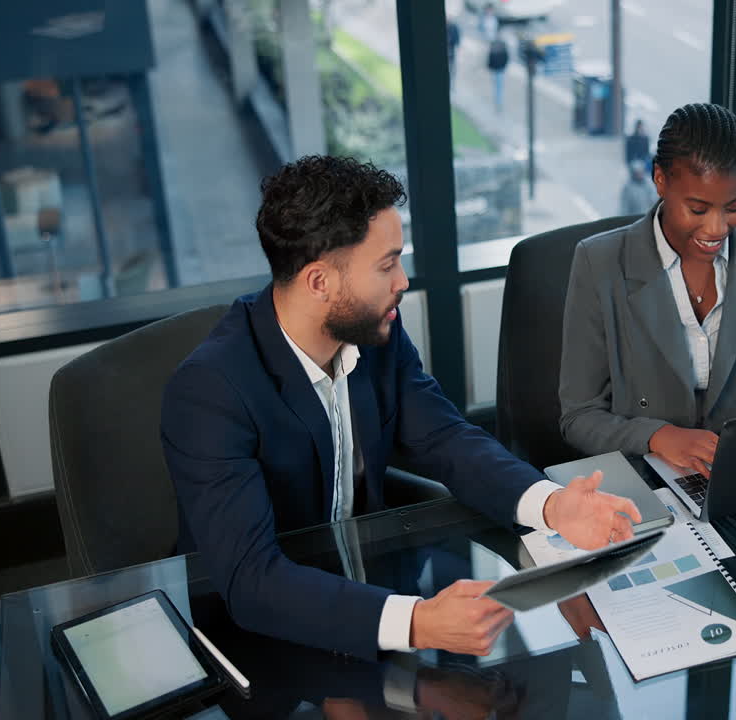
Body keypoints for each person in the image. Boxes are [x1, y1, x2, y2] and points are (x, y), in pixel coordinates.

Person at [161, 156, 641, 661]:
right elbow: (252, 581)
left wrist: (552, 504)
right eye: (387, 264)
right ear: (320, 282)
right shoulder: (210, 392)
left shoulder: (373, 335)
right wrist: (415, 622)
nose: (404, 281)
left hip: (365, 587)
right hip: (260, 643)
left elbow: (445, 438)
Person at [559, 103, 736, 478]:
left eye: (733, 206)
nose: (717, 228)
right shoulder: (598, 263)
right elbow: (579, 416)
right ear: (660, 180)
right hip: (649, 478)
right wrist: (659, 436)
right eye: (698, 209)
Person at [487, 35, 509, 113]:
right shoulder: (502, 47)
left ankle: (498, 103)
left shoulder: (495, 46)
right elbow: (506, 58)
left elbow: (490, 59)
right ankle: (498, 103)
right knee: (498, 88)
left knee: (497, 88)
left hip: (497, 70)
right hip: (499, 70)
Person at [446, 16, 461, 90]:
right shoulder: (449, 27)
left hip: (451, 52)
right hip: (449, 52)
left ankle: (452, 85)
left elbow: (457, 40)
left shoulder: (453, 27)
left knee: (451, 69)